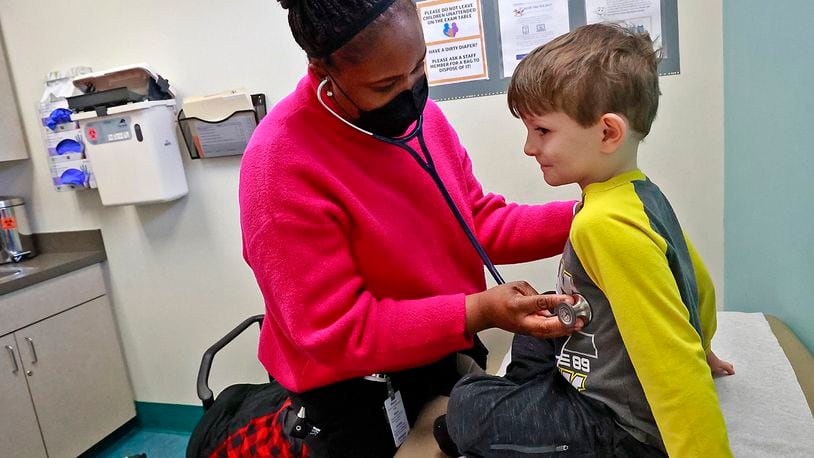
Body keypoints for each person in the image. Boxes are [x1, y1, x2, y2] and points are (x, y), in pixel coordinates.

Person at [238, 0, 583, 456]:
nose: (411, 92)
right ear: (324, 72)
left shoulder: (422, 120)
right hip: (356, 396)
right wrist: (477, 311)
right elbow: (338, 331)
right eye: (385, 84)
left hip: (443, 355)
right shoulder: (279, 165)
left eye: (419, 67)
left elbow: (473, 219)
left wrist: (587, 217)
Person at [443, 23, 735, 457]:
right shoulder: (641, 194)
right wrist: (707, 347)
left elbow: (670, 360)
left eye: (541, 131)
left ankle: (524, 413)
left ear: (607, 132)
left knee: (465, 405)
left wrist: (697, 377)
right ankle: (531, 403)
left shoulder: (602, 225)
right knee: (544, 306)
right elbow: (694, 283)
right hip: (592, 362)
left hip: (617, 426)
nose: (528, 147)